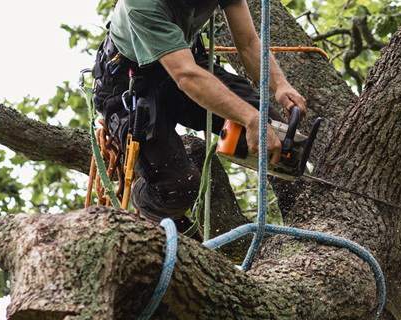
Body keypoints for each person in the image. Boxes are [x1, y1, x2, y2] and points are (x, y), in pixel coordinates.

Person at [91, 0, 307, 232]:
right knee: (177, 186)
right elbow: (187, 76)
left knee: (280, 137)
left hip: (187, 61)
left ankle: (302, 220)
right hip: (131, 84)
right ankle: (149, 205)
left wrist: (280, 85)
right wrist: (250, 118)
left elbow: (248, 43)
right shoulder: (141, 4)